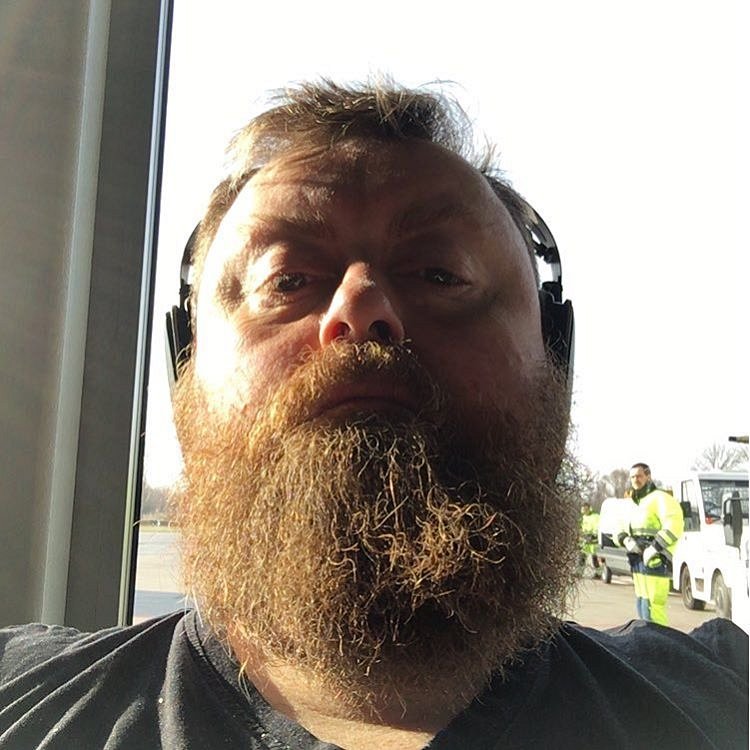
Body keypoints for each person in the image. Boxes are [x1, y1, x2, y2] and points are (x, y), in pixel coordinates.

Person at [0, 79, 747, 750]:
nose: (359, 310)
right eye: (286, 279)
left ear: (555, 359)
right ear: (185, 370)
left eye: (439, 273)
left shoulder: (725, 697)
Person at [616, 462, 684, 626]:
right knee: (642, 602)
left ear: (648, 476)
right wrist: (626, 540)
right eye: (632, 477)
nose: (635, 480)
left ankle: (660, 639)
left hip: (655, 559)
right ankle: (646, 637)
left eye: (639, 476)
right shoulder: (632, 503)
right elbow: (618, 527)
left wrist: (655, 547)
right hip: (637, 558)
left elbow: (674, 524)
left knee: (654, 605)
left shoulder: (661, 499)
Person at [579, 502, 601, 577]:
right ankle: (579, 572)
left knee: (595, 558)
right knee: (582, 557)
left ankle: (599, 573)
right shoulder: (583, 517)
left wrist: (594, 534)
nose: (584, 511)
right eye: (583, 509)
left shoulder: (596, 517)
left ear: (588, 508)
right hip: (585, 541)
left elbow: (598, 527)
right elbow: (580, 528)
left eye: (585, 509)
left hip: (593, 541)